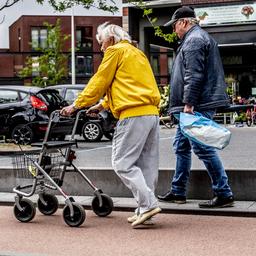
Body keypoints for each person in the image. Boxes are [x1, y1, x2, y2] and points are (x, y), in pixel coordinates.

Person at [60, 22, 161, 227]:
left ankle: (148, 204)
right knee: (146, 165)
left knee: (122, 163)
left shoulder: (115, 51)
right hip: (151, 114)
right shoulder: (137, 53)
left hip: (132, 115)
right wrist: (102, 105)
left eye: (101, 42)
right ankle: (145, 209)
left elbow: (99, 81)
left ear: (111, 39)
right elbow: (128, 85)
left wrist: (76, 105)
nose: (101, 47)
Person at [157, 6, 234, 208]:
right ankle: (178, 191)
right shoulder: (197, 38)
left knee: (203, 148)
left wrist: (188, 104)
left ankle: (224, 193)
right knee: (181, 147)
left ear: (183, 22)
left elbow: (194, 75)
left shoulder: (193, 41)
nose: (174, 30)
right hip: (193, 105)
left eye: (174, 26)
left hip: (195, 106)